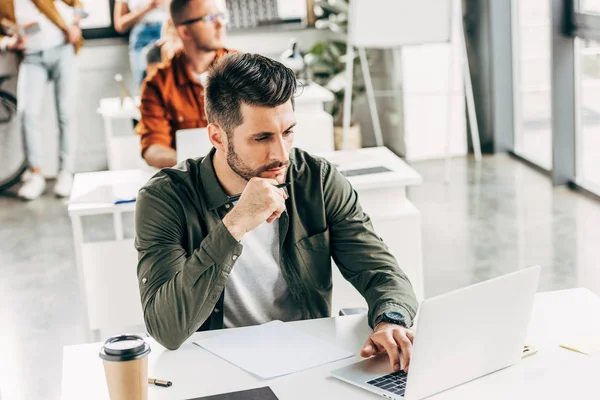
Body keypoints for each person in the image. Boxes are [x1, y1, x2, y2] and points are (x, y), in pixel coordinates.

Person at [135, 53, 419, 373]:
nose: (281, 154)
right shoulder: (166, 198)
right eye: (262, 138)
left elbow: (381, 270)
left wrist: (390, 320)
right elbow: (166, 330)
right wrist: (235, 225)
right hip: (214, 370)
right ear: (217, 136)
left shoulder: (317, 179)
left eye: (288, 132)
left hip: (307, 364)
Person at [0, 0, 85, 200]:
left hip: (62, 49)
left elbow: (77, 3)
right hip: (31, 57)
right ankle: (35, 175)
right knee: (27, 114)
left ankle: (66, 172)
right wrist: (8, 43)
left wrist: (75, 25)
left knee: (66, 112)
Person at [136, 0, 230, 169]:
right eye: (208, 18)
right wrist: (203, 165)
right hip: (191, 182)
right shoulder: (157, 84)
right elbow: (153, 149)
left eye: (220, 16)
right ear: (185, 30)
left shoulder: (243, 69)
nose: (219, 24)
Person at [114, 0, 169, 87]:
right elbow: (120, 25)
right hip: (141, 34)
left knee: (169, 81)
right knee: (145, 83)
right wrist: (148, 7)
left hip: (166, 31)